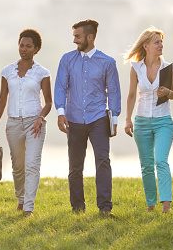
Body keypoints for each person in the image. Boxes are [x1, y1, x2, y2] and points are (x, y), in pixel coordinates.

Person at [54, 19, 121, 216]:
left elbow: (114, 92)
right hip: (73, 119)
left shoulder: (107, 62)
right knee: (75, 166)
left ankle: (105, 208)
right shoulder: (67, 60)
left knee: (103, 161)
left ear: (90, 37)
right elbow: (60, 87)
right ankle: (77, 208)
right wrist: (60, 113)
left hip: (99, 119)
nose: (74, 40)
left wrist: (114, 119)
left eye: (77, 36)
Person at [0, 29, 52, 217]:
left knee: (32, 164)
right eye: (21, 45)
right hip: (13, 123)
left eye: (28, 46)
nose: (24, 49)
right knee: (18, 165)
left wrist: (40, 118)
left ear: (36, 49)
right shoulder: (7, 71)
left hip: (35, 123)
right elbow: (2, 100)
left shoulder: (42, 72)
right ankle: (21, 199)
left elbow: (48, 102)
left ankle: (28, 208)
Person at [124, 26, 173, 213]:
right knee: (146, 165)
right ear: (146, 46)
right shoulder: (136, 68)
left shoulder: (168, 68)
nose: (161, 45)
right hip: (141, 122)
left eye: (162, 42)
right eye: (157, 42)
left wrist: (168, 92)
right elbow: (131, 95)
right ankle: (150, 205)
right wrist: (128, 120)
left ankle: (166, 205)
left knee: (160, 161)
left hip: (163, 121)